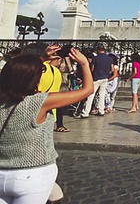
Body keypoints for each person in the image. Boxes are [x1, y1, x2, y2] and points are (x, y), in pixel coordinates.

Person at [0, 48, 94, 203]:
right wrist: (84, 63)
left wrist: (42, 57)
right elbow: (87, 90)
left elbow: (11, 72)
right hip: (32, 175)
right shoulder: (40, 102)